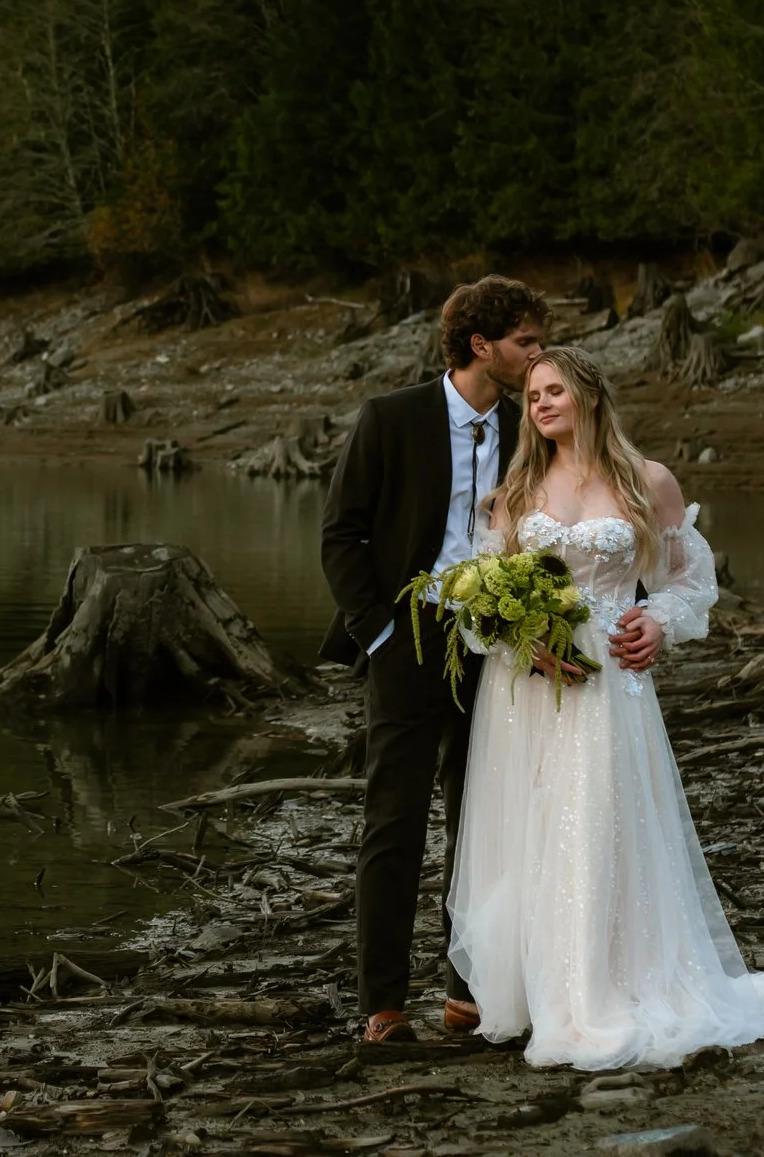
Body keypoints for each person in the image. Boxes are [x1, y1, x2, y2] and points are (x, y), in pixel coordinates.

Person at [447, 343, 764, 1069]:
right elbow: (481, 595)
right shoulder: (517, 490)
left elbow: (688, 579)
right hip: (534, 688)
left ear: (591, 395)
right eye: (532, 394)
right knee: (534, 824)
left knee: (600, 821)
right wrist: (521, 637)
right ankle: (543, 992)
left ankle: (604, 987)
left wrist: (659, 621)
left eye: (554, 390)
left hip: (610, 679)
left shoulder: (647, 481)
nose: (539, 403)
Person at [321, 276, 593, 1044]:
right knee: (394, 821)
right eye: (526, 343)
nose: (538, 358)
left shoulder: (527, 428)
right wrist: (376, 633)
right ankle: (382, 1002)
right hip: (404, 640)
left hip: (498, 648)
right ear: (482, 345)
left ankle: (467, 991)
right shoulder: (391, 417)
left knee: (483, 819)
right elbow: (341, 533)